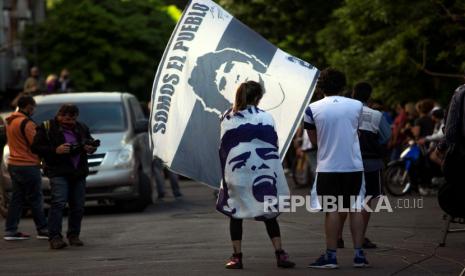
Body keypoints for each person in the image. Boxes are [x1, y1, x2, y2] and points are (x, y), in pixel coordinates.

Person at [216, 81, 295, 269]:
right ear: (258, 98)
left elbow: (223, 147)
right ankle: (280, 254)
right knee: (269, 214)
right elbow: (273, 145)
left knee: (236, 214)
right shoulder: (267, 118)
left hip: (237, 174)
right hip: (263, 171)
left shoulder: (226, 117)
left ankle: (237, 257)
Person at [304, 68, 369, 269]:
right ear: (343, 86)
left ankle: (331, 256)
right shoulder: (358, 105)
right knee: (356, 206)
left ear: (320, 86)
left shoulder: (312, 109)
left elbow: (314, 141)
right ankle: (359, 255)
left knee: (332, 209)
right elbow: (358, 132)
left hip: (328, 166)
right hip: (353, 165)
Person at [31, 104, 98, 249]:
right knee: (59, 203)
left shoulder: (81, 127)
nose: (69, 121)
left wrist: (90, 148)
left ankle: (73, 235)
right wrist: (56, 150)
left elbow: (89, 141)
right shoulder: (47, 127)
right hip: (58, 171)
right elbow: (35, 147)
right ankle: (54, 237)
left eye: (72, 119)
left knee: (78, 206)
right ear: (59, 115)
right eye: (66, 118)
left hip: (78, 171)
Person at [337, 82, 391, 249]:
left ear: (353, 94)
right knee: (366, 201)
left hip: (346, 163)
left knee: (343, 200)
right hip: (371, 163)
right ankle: (360, 239)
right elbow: (386, 136)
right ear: (369, 96)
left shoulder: (343, 112)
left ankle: (337, 236)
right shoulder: (376, 115)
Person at [3, 95, 48, 241]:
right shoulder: (27, 123)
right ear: (28, 106)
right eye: (33, 107)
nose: (34, 110)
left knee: (17, 198)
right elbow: (36, 144)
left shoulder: (11, 121)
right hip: (28, 165)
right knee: (36, 198)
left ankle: (10, 231)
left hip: (14, 164)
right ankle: (42, 229)